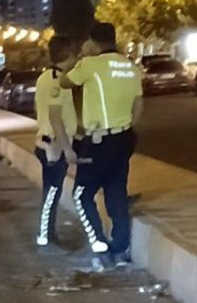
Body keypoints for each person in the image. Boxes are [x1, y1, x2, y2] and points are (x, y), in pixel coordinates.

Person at [60, 22, 143, 269]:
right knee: (116, 192)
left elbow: (65, 82)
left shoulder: (90, 64)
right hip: (124, 137)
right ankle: (121, 249)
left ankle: (99, 242)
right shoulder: (129, 66)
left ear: (93, 42)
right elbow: (139, 103)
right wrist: (127, 127)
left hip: (98, 141)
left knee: (81, 194)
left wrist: (84, 56)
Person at [34, 36, 80, 247]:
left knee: (51, 191)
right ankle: (45, 234)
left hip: (47, 140)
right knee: (52, 192)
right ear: (68, 54)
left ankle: (48, 233)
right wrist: (67, 148)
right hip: (54, 144)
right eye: (75, 54)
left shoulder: (46, 76)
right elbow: (55, 116)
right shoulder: (57, 80)